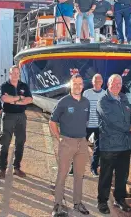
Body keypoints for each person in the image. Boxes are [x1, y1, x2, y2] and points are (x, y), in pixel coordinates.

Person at [96, 74, 131, 214]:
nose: (116, 86)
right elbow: (111, 121)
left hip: (125, 145)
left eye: (119, 84)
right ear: (108, 84)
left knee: (122, 175)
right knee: (106, 175)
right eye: (113, 83)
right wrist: (129, 128)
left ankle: (119, 199)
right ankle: (102, 201)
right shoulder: (103, 101)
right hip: (109, 145)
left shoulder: (124, 99)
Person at [49, 75, 91, 217]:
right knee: (62, 174)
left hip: (82, 143)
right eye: (75, 84)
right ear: (70, 85)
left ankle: (77, 203)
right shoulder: (63, 102)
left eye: (80, 84)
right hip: (67, 142)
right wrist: (59, 138)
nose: (78, 86)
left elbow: (85, 121)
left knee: (79, 175)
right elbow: (52, 121)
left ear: (83, 86)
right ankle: (57, 205)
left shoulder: (86, 102)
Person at [0, 66, 33, 179]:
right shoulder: (4, 86)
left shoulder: (24, 86)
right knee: (5, 143)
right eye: (13, 73)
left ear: (19, 74)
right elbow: (4, 99)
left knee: (20, 142)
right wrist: (20, 98)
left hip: (21, 117)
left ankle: (16, 168)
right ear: (9, 74)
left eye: (17, 73)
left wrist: (13, 100)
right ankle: (2, 169)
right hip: (8, 116)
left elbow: (30, 100)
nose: (15, 75)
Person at [69, 73, 105, 177]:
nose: (97, 83)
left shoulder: (105, 94)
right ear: (92, 82)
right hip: (86, 125)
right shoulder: (86, 93)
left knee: (98, 149)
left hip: (99, 126)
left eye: (99, 81)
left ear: (102, 82)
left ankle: (94, 169)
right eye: (95, 81)